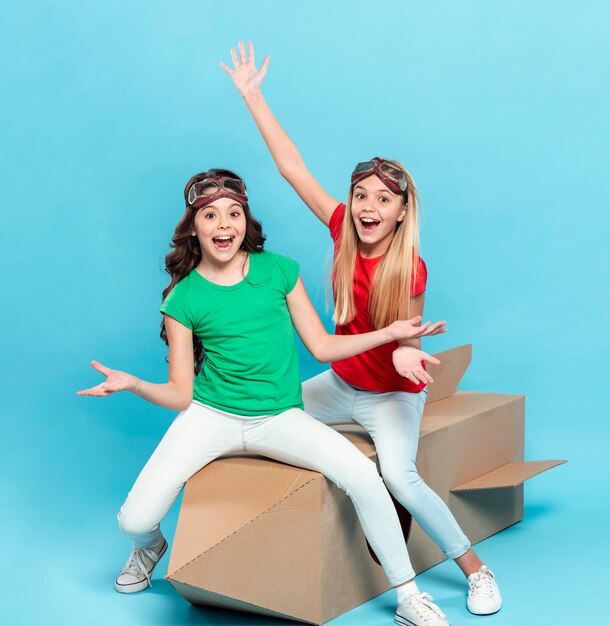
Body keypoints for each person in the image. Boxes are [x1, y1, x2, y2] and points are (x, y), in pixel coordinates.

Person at [78, 169, 453, 626]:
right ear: (194, 227)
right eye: (210, 215)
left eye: (234, 214)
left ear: (245, 221)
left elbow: (322, 348)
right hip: (210, 417)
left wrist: (390, 334)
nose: (224, 224)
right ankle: (150, 548)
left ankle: (409, 595)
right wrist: (134, 384)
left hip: (279, 418)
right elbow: (181, 394)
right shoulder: (183, 297)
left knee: (364, 475)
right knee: (132, 521)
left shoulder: (278, 270)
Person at [222, 42, 503, 618]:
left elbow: (407, 337)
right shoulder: (339, 231)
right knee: (259, 411)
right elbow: (292, 168)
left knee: (400, 476)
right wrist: (253, 96)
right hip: (340, 383)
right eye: (360, 196)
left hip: (391, 397)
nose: (368, 206)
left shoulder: (410, 267)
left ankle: (475, 570)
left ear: (402, 212)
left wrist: (407, 356)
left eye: (383, 199)